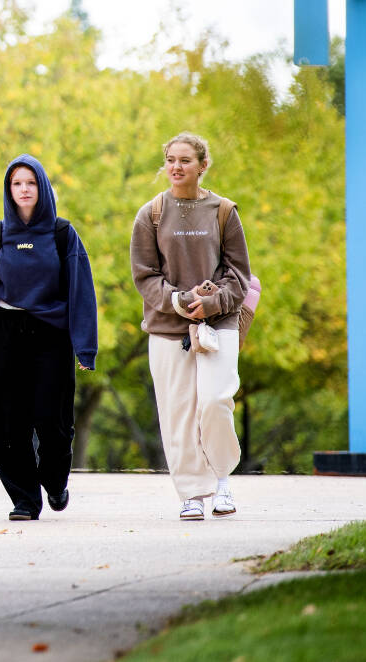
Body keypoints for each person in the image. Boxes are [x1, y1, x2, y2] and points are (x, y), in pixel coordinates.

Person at [0, 153, 99, 520]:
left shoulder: (61, 233)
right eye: (16, 183)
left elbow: (81, 292)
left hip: (51, 336)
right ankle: (25, 499)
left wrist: (85, 347)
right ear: (9, 190)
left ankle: (55, 483)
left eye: (31, 182)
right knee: (8, 424)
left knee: (53, 424)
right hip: (6, 332)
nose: (24, 189)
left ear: (42, 187)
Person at [131, 131, 253, 521]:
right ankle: (191, 494)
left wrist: (212, 301)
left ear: (203, 166)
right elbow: (145, 275)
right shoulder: (150, 214)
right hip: (168, 328)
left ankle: (222, 481)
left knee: (216, 401)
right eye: (170, 160)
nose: (176, 167)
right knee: (178, 412)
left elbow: (240, 275)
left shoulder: (224, 211)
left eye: (185, 160)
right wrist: (178, 302)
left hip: (219, 324)